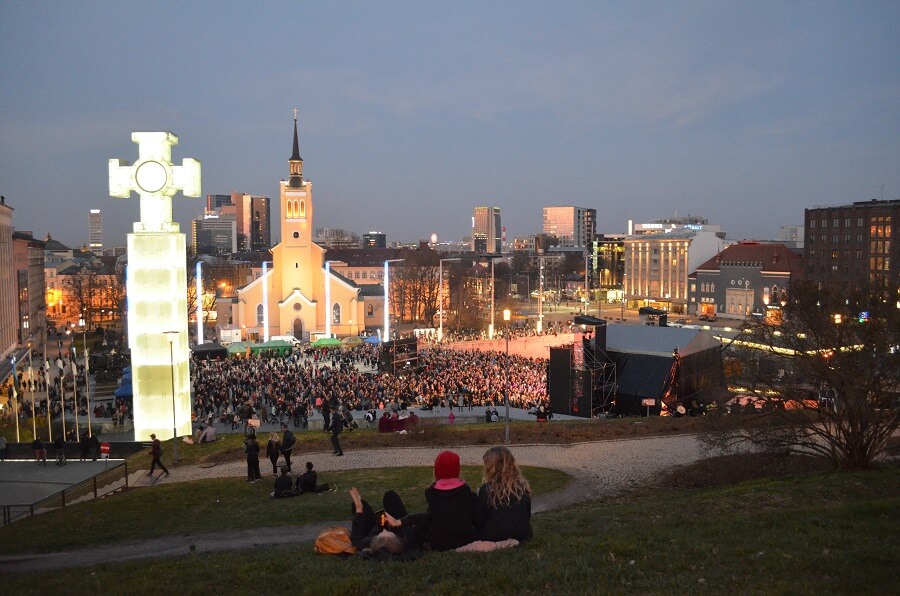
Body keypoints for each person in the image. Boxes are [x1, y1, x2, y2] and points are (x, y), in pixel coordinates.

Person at [383, 450, 476, 552]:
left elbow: (428, 518)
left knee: (391, 498)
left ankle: (397, 526)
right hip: (465, 540)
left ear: (435, 472)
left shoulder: (432, 493)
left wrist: (404, 522)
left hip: (437, 543)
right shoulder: (467, 493)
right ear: (458, 472)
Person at [474, 446, 533, 542]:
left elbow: (478, 521)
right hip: (523, 535)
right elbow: (527, 514)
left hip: (492, 536)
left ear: (491, 467)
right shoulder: (522, 487)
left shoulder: (487, 490)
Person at [348, 486, 420, 560]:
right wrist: (399, 522)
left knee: (359, 505)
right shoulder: (407, 538)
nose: (384, 530)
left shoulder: (365, 543)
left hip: (372, 528)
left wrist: (359, 510)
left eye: (380, 534)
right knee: (390, 496)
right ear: (399, 540)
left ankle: (361, 509)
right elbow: (413, 554)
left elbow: (356, 537)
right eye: (389, 533)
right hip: (397, 523)